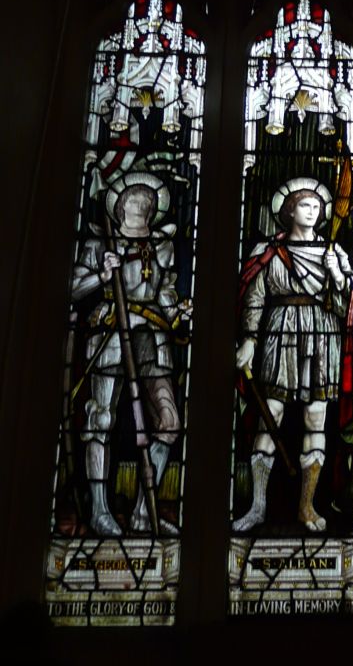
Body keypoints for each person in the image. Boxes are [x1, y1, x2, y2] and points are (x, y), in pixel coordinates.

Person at [71, 172, 191, 536]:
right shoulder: (99, 243)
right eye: (136, 198)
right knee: (101, 419)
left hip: (152, 336)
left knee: (169, 422)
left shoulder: (162, 246)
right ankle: (99, 510)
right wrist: (102, 275)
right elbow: (74, 288)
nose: (143, 204)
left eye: (148, 200)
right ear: (120, 205)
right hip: (111, 332)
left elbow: (165, 293)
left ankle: (143, 511)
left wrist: (178, 312)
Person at [233, 177, 353, 533]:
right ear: (289, 210)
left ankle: (307, 506)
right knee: (270, 413)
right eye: (305, 204)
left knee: (316, 417)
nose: (312, 211)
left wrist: (337, 273)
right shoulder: (269, 250)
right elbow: (255, 297)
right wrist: (249, 340)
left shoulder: (333, 251)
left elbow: (348, 303)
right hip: (280, 330)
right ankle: (257, 507)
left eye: (317, 206)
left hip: (322, 334)